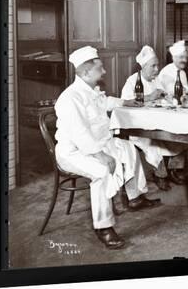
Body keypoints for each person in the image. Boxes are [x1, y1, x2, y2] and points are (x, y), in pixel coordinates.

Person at [54, 46, 161, 250]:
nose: (104, 72)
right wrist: (101, 155)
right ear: (86, 72)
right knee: (103, 172)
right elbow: (79, 133)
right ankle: (103, 226)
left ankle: (135, 197)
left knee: (128, 148)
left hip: (97, 143)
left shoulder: (90, 90)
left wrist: (128, 102)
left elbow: (107, 102)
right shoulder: (70, 98)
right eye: (100, 68)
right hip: (73, 152)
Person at [120, 45, 186, 190]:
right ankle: (160, 174)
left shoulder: (156, 80)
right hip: (138, 128)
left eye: (157, 65)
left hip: (157, 123)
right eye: (153, 66)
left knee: (179, 137)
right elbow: (124, 105)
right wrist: (149, 97)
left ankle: (175, 169)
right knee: (153, 145)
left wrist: (167, 98)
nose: (157, 70)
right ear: (143, 67)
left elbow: (164, 96)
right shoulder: (132, 81)